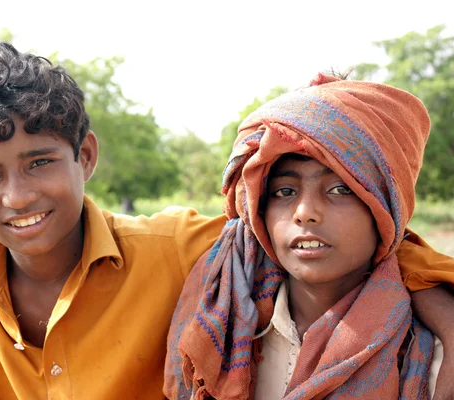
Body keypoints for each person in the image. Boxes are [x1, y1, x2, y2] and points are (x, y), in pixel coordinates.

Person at [0, 43, 454, 399]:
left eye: (39, 163)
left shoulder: (176, 248)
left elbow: (297, 234)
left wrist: (438, 298)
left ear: (85, 156)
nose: (18, 196)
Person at [163, 73, 453, 399]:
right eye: (284, 191)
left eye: (341, 189)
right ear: (260, 213)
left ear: (385, 210)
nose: (305, 211)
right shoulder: (224, 322)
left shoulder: (433, 359)